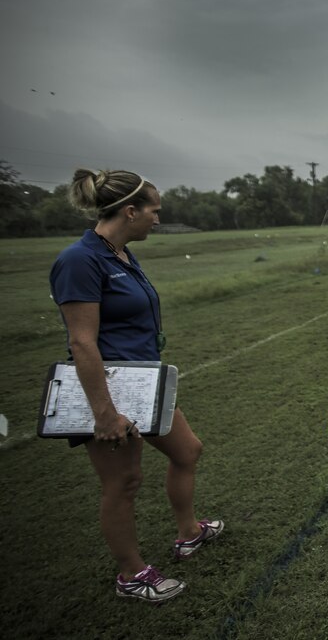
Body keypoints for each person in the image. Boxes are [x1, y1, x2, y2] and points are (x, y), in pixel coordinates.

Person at [50, 169, 223, 603]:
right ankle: (131, 574)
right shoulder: (80, 260)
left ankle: (188, 532)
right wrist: (104, 414)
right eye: (154, 211)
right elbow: (81, 341)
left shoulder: (121, 253)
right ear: (130, 210)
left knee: (188, 450)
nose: (157, 220)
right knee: (123, 482)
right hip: (110, 392)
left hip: (145, 383)